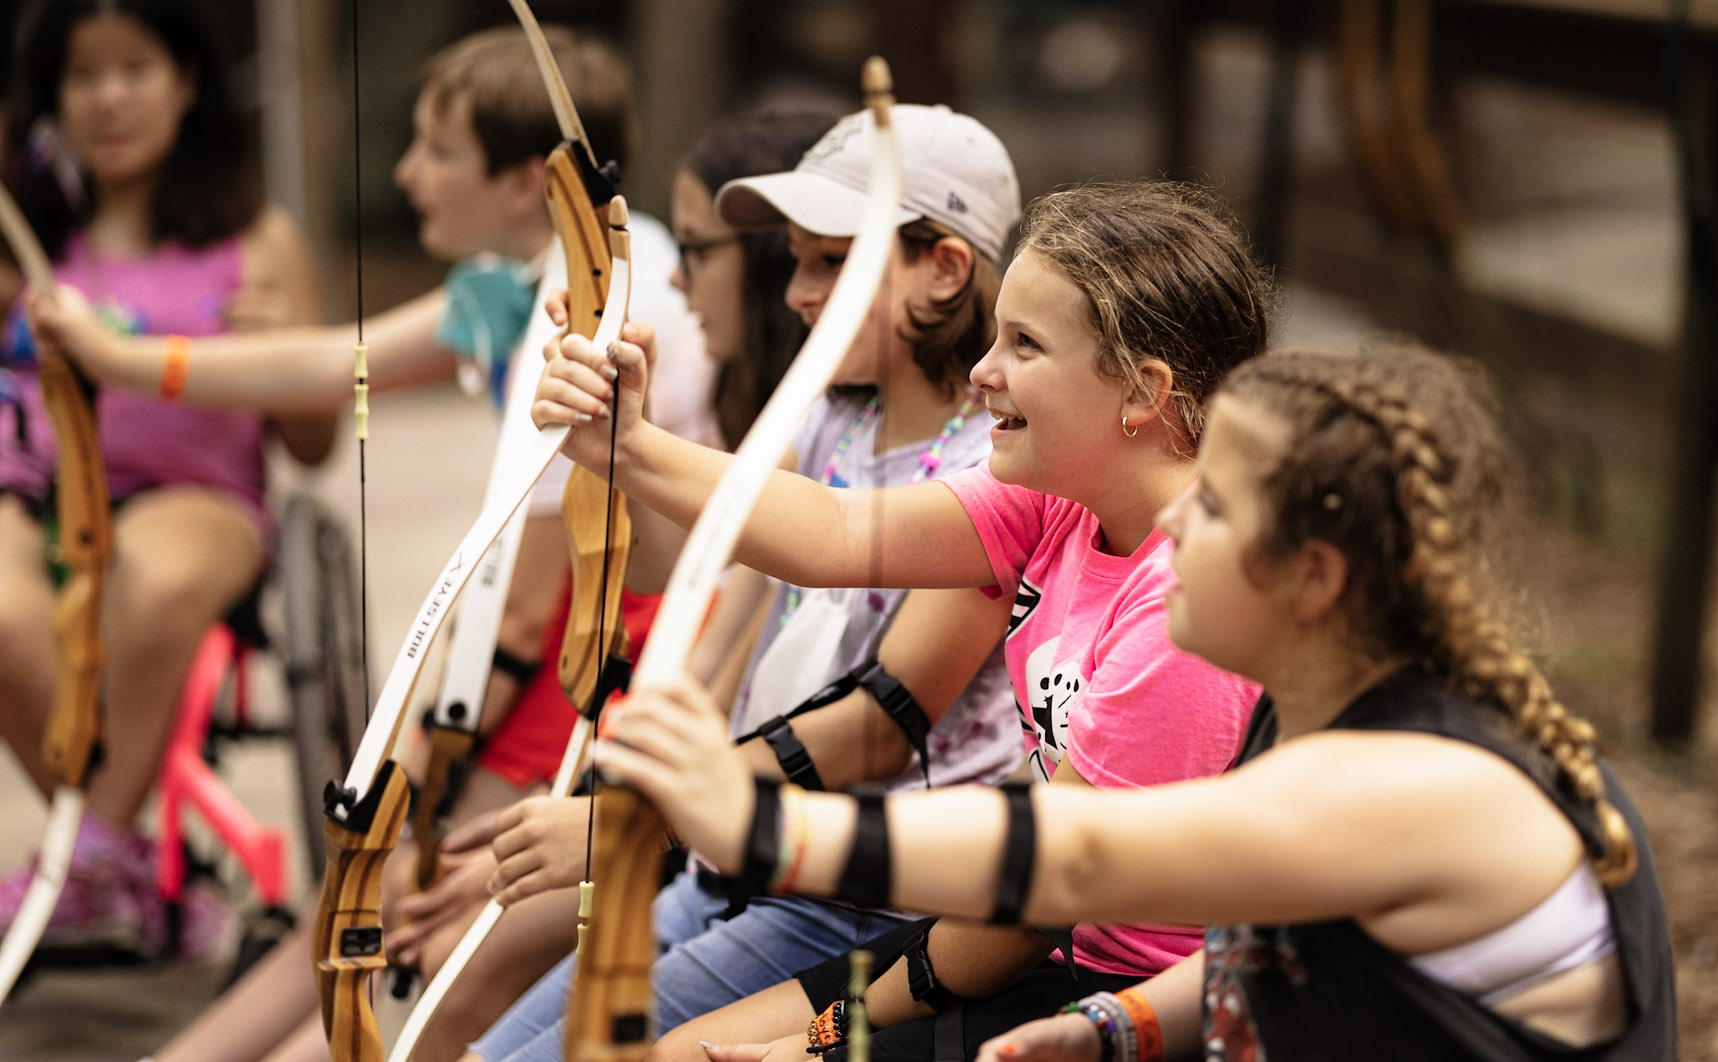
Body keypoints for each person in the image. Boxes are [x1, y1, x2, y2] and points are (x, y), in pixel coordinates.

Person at [593, 341, 1680, 1062]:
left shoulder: (1411, 781)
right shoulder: (1330, 718)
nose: (1166, 528)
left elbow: (1075, 855)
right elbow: (1280, 951)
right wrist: (1119, 1026)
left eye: (1211, 505)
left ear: (1313, 576)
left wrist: (758, 823)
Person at [29, 26, 723, 1062]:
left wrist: (424, 755)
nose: (407, 174)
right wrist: (118, 359)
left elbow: (535, 606)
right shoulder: (513, 281)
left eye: (437, 149)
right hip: (576, 645)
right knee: (374, 892)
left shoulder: (589, 306)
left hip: (621, 661)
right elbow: (328, 364)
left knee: (408, 913)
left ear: (529, 182)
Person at [516, 178, 1276, 1061]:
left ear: (1144, 394)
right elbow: (833, 533)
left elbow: (1042, 891)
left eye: (1025, 345)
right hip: (1007, 935)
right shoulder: (1061, 501)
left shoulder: (1185, 607)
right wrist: (630, 444)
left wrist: (822, 1037)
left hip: (1117, 993)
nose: (986, 371)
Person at [460, 105, 1033, 1062]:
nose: (799, 292)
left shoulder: (995, 466)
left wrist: (637, 824)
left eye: (829, 263)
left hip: (861, 903)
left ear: (944, 268)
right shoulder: (829, 419)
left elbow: (874, 727)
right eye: (796, 262)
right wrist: (608, 444)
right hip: (741, 862)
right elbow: (705, 612)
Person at [0, 0, 335, 957]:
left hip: (199, 497)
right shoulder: (28, 244)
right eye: (82, 75)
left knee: (147, 569)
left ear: (188, 79)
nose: (109, 98)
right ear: (52, 97)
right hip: (43, 491)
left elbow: (313, 446)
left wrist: (279, 351)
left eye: (135, 68)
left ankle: (84, 857)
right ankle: (118, 860)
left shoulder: (259, 240)